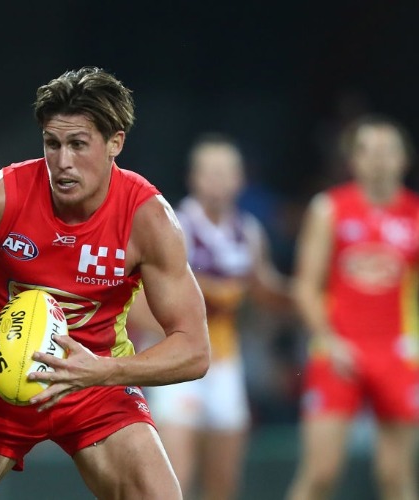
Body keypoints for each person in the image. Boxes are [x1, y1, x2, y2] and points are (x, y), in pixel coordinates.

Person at [0, 66, 211, 499]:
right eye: (52, 144)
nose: (62, 162)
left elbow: (194, 349)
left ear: (115, 143)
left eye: (78, 145)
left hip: (96, 384)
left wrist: (105, 370)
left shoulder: (148, 220)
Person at [131, 134, 290, 500]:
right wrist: (187, 327)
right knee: (176, 477)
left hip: (223, 364)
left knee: (224, 483)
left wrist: (313, 296)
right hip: (176, 360)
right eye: (210, 173)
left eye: (226, 173)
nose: (218, 181)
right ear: (194, 179)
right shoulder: (174, 226)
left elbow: (264, 288)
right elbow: (138, 302)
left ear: (240, 180)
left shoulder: (247, 232)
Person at [287, 115, 419, 500]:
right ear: (353, 160)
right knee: (321, 472)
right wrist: (330, 339)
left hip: (397, 352)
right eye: (367, 149)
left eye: (388, 149)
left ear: (404, 159)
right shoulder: (329, 209)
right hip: (338, 349)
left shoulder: (415, 215)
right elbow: (306, 286)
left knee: (396, 475)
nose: (378, 158)